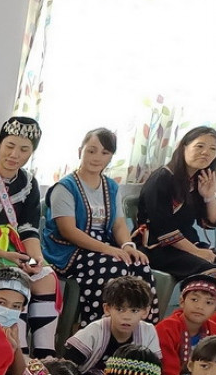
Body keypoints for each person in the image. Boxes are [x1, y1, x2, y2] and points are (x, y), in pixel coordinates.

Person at [0, 117, 60, 357]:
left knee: (46, 277)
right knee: (17, 280)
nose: (15, 154)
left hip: (17, 252)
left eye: (24, 149)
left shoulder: (28, 183)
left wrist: (36, 259)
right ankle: (20, 353)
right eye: (10, 146)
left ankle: (45, 353)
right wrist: (5, 255)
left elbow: (28, 228)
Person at [42, 128, 157, 328]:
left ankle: (140, 334)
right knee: (113, 267)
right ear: (81, 151)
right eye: (92, 150)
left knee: (140, 265)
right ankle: (98, 332)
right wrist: (109, 249)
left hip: (104, 245)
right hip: (69, 249)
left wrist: (128, 245)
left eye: (105, 153)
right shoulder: (65, 187)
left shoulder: (111, 186)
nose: (97, 157)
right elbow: (69, 231)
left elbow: (118, 223)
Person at [133, 126, 216, 303]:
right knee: (214, 276)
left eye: (212, 149)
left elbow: (210, 222)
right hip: (156, 247)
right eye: (199, 146)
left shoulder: (199, 180)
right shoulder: (161, 179)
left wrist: (209, 196)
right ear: (184, 147)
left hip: (188, 243)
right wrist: (197, 252)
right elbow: (163, 229)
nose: (205, 153)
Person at [61, 276, 161, 375]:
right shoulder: (93, 332)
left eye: (134, 310)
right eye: (120, 309)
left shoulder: (148, 332)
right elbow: (64, 372)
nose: (126, 317)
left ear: (145, 312)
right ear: (107, 309)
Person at [156, 274, 216, 375]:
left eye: (208, 302)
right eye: (194, 299)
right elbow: (168, 371)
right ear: (182, 302)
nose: (199, 306)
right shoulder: (166, 328)